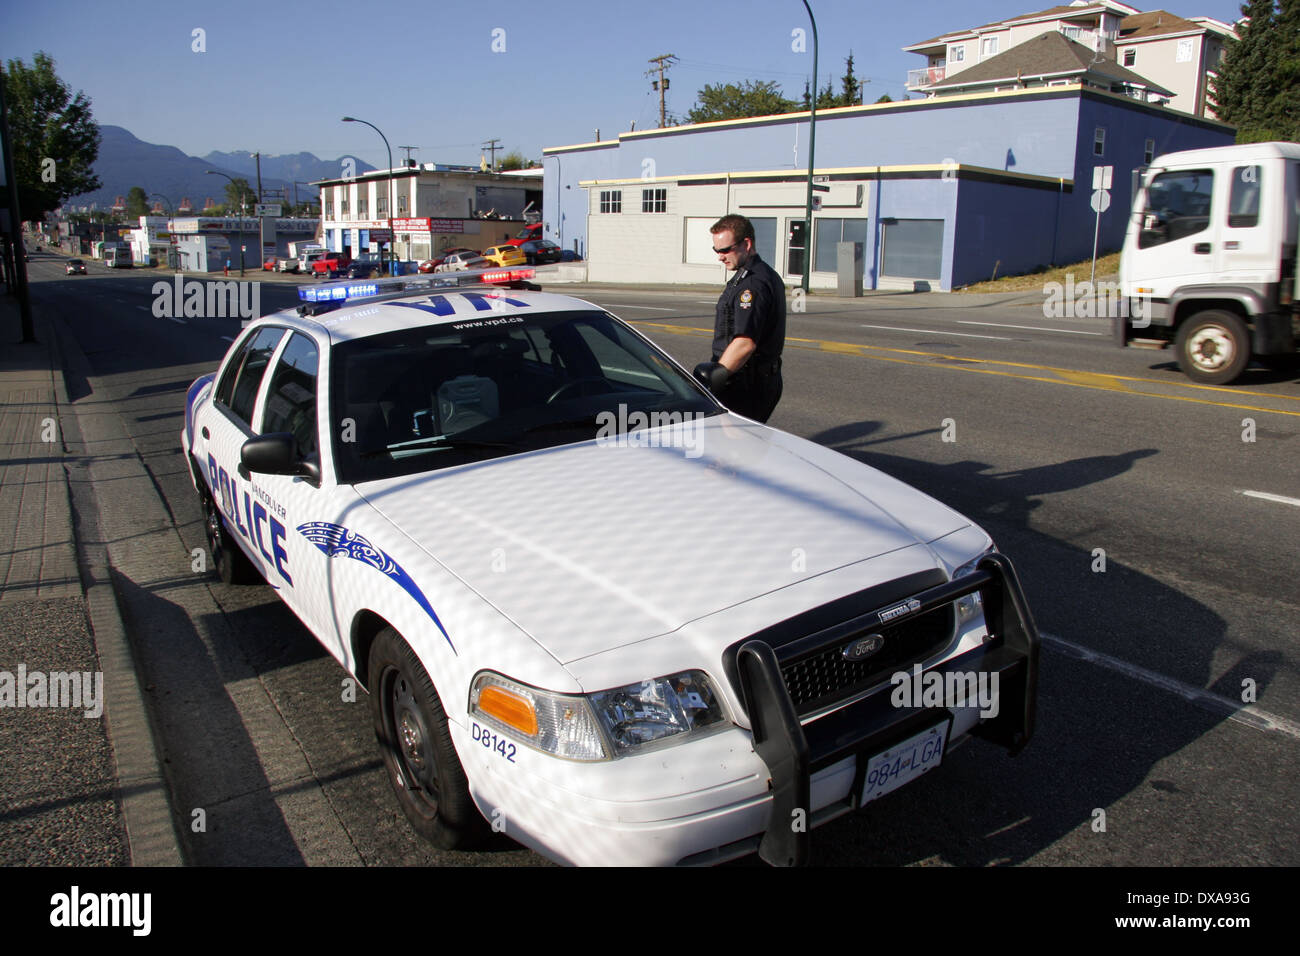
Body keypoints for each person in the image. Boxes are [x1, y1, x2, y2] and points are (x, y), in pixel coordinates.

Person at [694, 214, 785, 423]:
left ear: (747, 243)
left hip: (746, 385)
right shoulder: (754, 275)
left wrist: (712, 380)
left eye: (725, 250)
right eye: (716, 250)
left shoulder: (752, 285)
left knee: (733, 448)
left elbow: (745, 342)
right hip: (751, 379)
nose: (720, 256)